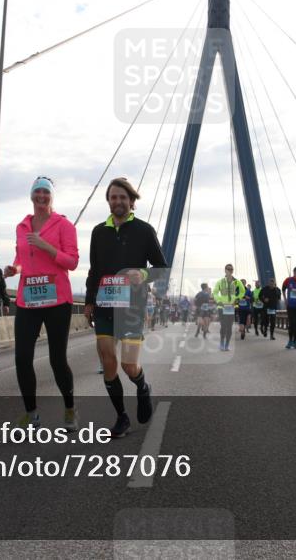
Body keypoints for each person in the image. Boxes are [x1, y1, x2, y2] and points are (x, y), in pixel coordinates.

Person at [84, 177, 167, 438]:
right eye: (113, 197)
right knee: (108, 361)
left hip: (131, 308)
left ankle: (142, 386)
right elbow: (94, 270)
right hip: (105, 305)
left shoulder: (144, 230)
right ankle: (121, 417)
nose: (118, 201)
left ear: (132, 202)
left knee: (129, 366)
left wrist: (143, 274)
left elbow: (161, 270)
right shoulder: (99, 232)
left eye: (122, 197)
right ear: (108, 201)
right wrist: (88, 301)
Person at [4, 176, 79, 430]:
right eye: (37, 191)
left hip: (57, 300)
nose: (41, 196)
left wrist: (46, 246)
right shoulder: (22, 226)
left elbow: (72, 262)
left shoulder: (64, 225)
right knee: (22, 358)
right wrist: (14, 268)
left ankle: (69, 409)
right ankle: (31, 414)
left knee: (57, 360)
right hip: (29, 300)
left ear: (51, 196)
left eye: (45, 192)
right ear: (31, 196)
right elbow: (21, 255)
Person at [213, 264, 245, 351]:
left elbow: (242, 291)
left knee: (229, 327)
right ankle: (221, 343)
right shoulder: (220, 282)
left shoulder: (237, 282)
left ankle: (227, 345)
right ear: (225, 270)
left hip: (231, 307)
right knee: (223, 326)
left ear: (232, 271)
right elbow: (215, 293)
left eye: (231, 269)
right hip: (221, 307)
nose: (230, 270)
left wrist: (237, 299)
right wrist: (219, 301)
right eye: (228, 269)